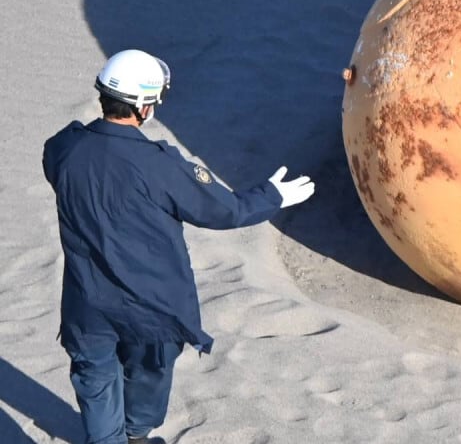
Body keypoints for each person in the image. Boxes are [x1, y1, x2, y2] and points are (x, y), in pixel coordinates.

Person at [42, 49, 315, 444]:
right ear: (145, 108)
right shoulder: (161, 165)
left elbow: (61, 165)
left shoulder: (63, 148)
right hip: (150, 305)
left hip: (86, 304)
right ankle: (135, 435)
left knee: (95, 379)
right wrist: (271, 196)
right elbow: (225, 212)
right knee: (149, 374)